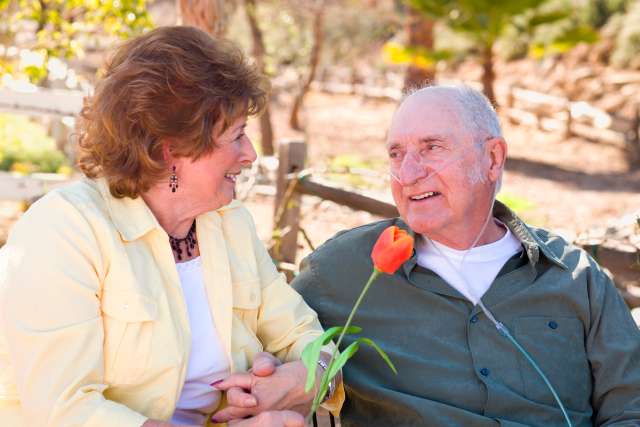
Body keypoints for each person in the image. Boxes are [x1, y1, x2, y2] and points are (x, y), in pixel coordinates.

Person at [0, 26, 342, 427]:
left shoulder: (229, 223)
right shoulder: (65, 231)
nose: (249, 154)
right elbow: (64, 409)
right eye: (236, 136)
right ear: (173, 151)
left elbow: (312, 341)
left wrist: (297, 380)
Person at [292, 85, 640, 426]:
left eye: (432, 148)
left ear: (492, 158)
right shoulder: (340, 270)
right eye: (396, 154)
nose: (407, 174)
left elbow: (631, 407)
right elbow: (262, 344)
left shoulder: (576, 277)